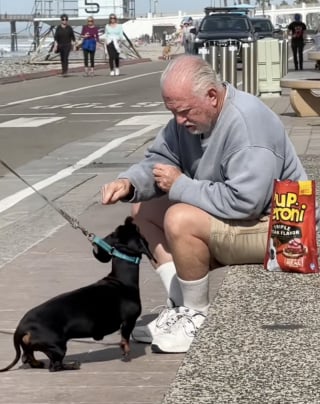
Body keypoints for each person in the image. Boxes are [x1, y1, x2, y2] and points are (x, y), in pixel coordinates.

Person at [100, 55, 309, 354]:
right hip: (247, 218)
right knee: (143, 211)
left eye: (184, 112)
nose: (179, 121)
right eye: (172, 112)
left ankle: (196, 315)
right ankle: (180, 306)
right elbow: (160, 161)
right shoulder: (188, 120)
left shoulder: (247, 123)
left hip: (281, 230)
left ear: (211, 95)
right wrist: (130, 184)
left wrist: (182, 185)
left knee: (179, 218)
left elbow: (246, 203)